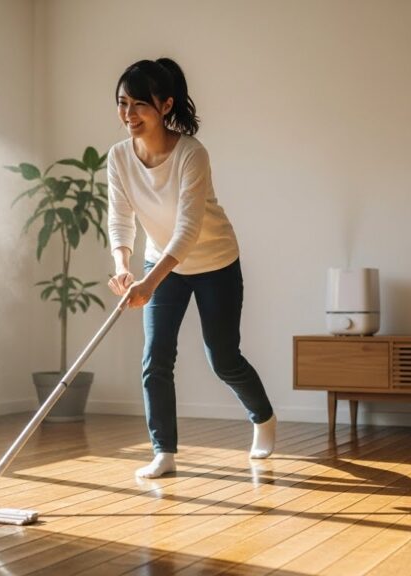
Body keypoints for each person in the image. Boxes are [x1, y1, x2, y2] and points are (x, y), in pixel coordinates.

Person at [106, 58, 276, 479]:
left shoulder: (191, 154)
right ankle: (163, 451)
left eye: (139, 105)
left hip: (215, 261)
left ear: (164, 106)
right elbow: (120, 217)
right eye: (122, 103)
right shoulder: (119, 157)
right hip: (159, 264)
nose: (128, 114)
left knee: (223, 358)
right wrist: (124, 267)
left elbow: (188, 229)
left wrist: (149, 281)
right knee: (155, 357)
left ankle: (263, 417)